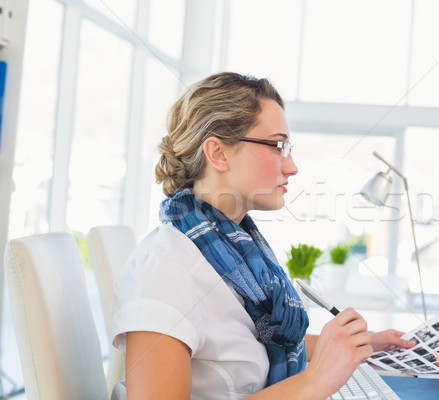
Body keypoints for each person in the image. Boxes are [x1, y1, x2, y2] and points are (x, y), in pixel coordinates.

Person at [112, 72, 415, 399]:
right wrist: (316, 380)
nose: (292, 166)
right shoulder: (165, 270)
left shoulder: (234, 253)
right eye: (277, 146)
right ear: (218, 153)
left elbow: (246, 347)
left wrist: (358, 344)